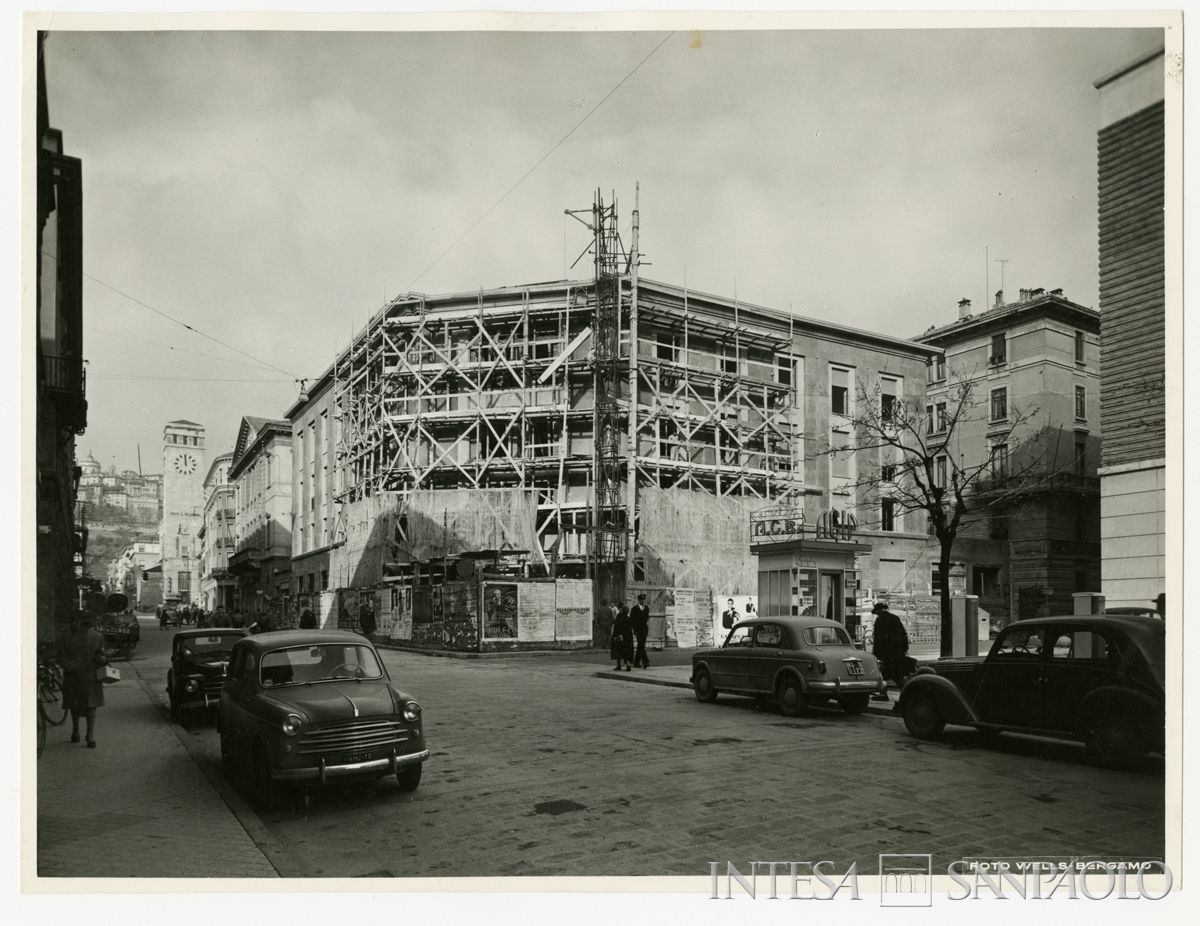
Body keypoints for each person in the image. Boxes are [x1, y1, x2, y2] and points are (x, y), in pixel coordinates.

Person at [60, 612, 106, 748]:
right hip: (85, 676)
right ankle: (85, 734)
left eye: (76, 621)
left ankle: (81, 733)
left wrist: (69, 666)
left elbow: (60, 657)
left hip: (79, 676)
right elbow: (102, 656)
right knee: (86, 705)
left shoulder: (69, 637)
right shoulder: (97, 637)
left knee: (81, 705)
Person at [870, 601, 910, 694]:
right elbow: (903, 634)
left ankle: (884, 694)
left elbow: (878, 639)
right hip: (897, 651)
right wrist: (905, 649)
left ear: (879, 611)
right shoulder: (895, 618)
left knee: (884, 675)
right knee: (897, 675)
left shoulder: (880, 620)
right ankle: (906, 691)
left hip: (885, 653)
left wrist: (876, 654)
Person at [610, 604, 634, 671]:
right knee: (627, 652)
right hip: (627, 639)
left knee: (618, 652)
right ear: (627, 612)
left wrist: (615, 636)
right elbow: (630, 629)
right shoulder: (628, 618)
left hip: (619, 638)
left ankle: (619, 665)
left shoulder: (619, 617)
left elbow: (616, 627)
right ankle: (628, 665)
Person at [629, 594, 651, 669]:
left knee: (640, 645)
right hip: (638, 629)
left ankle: (636, 662)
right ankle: (645, 661)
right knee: (641, 645)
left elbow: (646, 618)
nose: (642, 601)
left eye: (643, 600)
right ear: (639, 600)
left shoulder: (646, 608)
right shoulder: (634, 609)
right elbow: (631, 620)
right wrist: (634, 629)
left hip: (644, 629)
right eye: (641, 600)